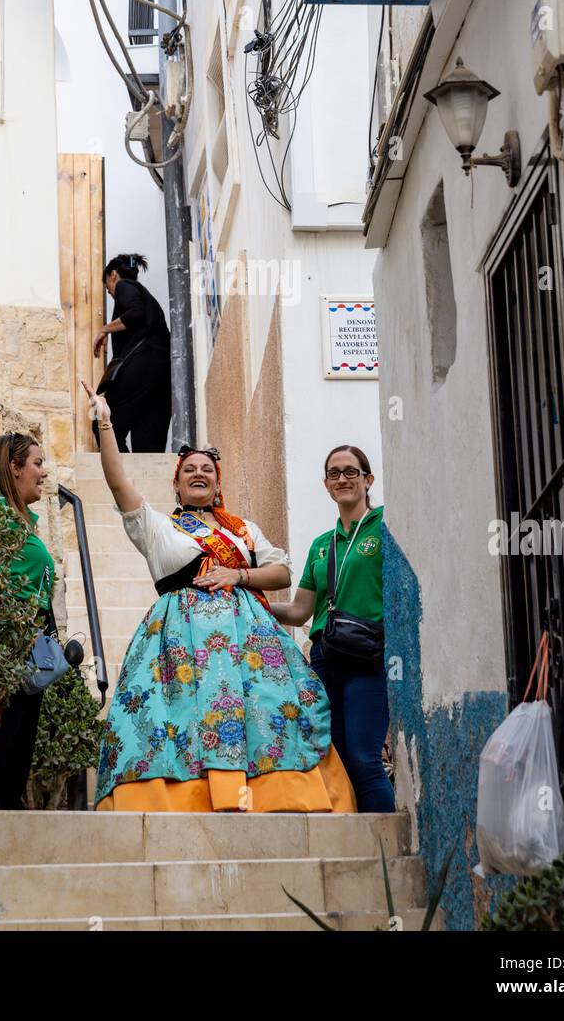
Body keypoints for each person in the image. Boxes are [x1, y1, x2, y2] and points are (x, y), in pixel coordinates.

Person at [81, 382, 356, 813]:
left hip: (248, 642)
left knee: (266, 715)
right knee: (175, 721)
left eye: (207, 469)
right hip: (177, 640)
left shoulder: (242, 529)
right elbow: (118, 483)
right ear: (176, 482)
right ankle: (181, 802)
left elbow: (281, 571)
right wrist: (106, 422)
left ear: (217, 482)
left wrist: (238, 574)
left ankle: (277, 797)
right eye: (189, 468)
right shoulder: (157, 528)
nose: (199, 473)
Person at [269, 445, 395, 814]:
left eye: (351, 472)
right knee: (335, 758)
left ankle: (387, 846)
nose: (343, 479)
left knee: (363, 756)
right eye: (334, 473)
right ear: (326, 484)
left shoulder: (386, 525)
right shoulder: (322, 546)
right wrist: (249, 599)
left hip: (367, 655)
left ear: (368, 480)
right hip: (326, 657)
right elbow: (298, 610)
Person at [0, 432, 55, 810]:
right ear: (13, 467)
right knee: (0, 740)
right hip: (2, 645)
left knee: (18, 747)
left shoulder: (22, 519)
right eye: (37, 463)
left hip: (29, 648)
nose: (43, 473)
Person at [92, 253, 171, 452]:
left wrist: (104, 329)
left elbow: (135, 313)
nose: (111, 293)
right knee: (147, 448)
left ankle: (120, 479)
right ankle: (137, 482)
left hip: (141, 366)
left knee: (103, 423)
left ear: (112, 276)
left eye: (107, 288)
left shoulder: (124, 286)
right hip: (161, 375)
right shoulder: (146, 297)